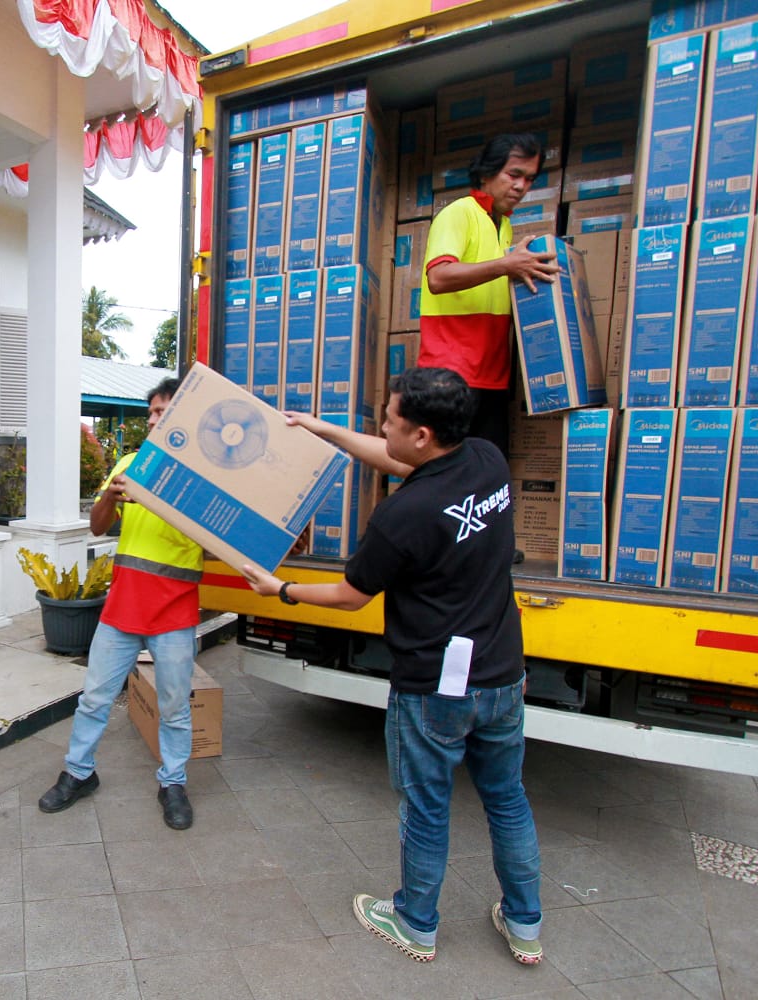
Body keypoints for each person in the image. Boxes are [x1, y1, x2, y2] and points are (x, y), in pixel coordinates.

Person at [240, 368, 543, 967]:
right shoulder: (486, 460)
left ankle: (415, 922)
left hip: (435, 688)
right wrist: (323, 429)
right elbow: (399, 459)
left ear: (423, 434)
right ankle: (525, 923)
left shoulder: (402, 515)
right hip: (503, 673)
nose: (382, 427)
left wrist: (283, 590)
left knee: (427, 807)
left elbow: (351, 595)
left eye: (390, 419)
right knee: (507, 799)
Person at [37, 377, 204, 831]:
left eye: (160, 412)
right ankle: (78, 773)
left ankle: (173, 783)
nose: (150, 420)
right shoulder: (131, 465)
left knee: (175, 706)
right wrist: (110, 497)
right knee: (94, 698)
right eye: (150, 413)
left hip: (174, 610)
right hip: (123, 607)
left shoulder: (203, 479)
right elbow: (97, 527)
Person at [418, 133, 559, 458]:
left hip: (491, 376)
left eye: (529, 179)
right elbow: (438, 277)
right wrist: (506, 265)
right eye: (514, 175)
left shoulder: (503, 226)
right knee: (445, 474)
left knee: (489, 475)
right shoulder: (459, 213)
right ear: (486, 173)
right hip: (450, 374)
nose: (521, 186)